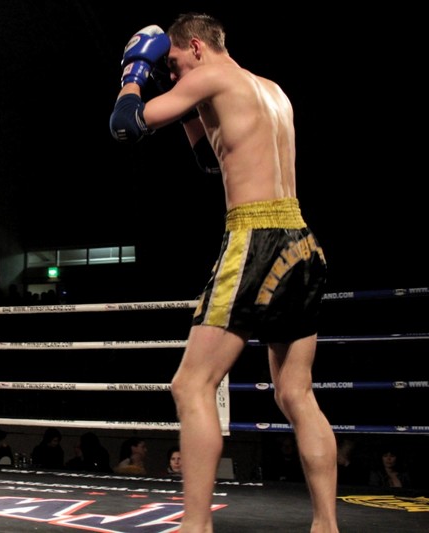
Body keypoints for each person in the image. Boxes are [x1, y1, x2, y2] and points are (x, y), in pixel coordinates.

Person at [109, 13, 338, 532]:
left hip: (255, 237)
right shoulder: (271, 90)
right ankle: (326, 525)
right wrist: (185, 106)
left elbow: (126, 126)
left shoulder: (209, 75)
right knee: (296, 393)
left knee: (191, 384)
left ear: (196, 46)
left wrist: (134, 71)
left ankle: (195, 526)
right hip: (302, 241)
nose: (171, 74)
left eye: (173, 63)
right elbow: (213, 161)